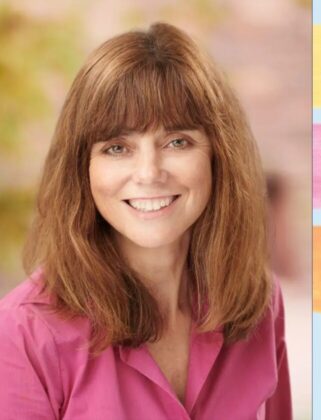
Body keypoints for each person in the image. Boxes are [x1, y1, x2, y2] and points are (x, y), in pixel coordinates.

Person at [0, 22, 292, 420]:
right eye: (117, 147)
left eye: (176, 142)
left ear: (217, 155)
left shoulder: (259, 302)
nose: (149, 173)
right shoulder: (21, 335)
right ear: (82, 168)